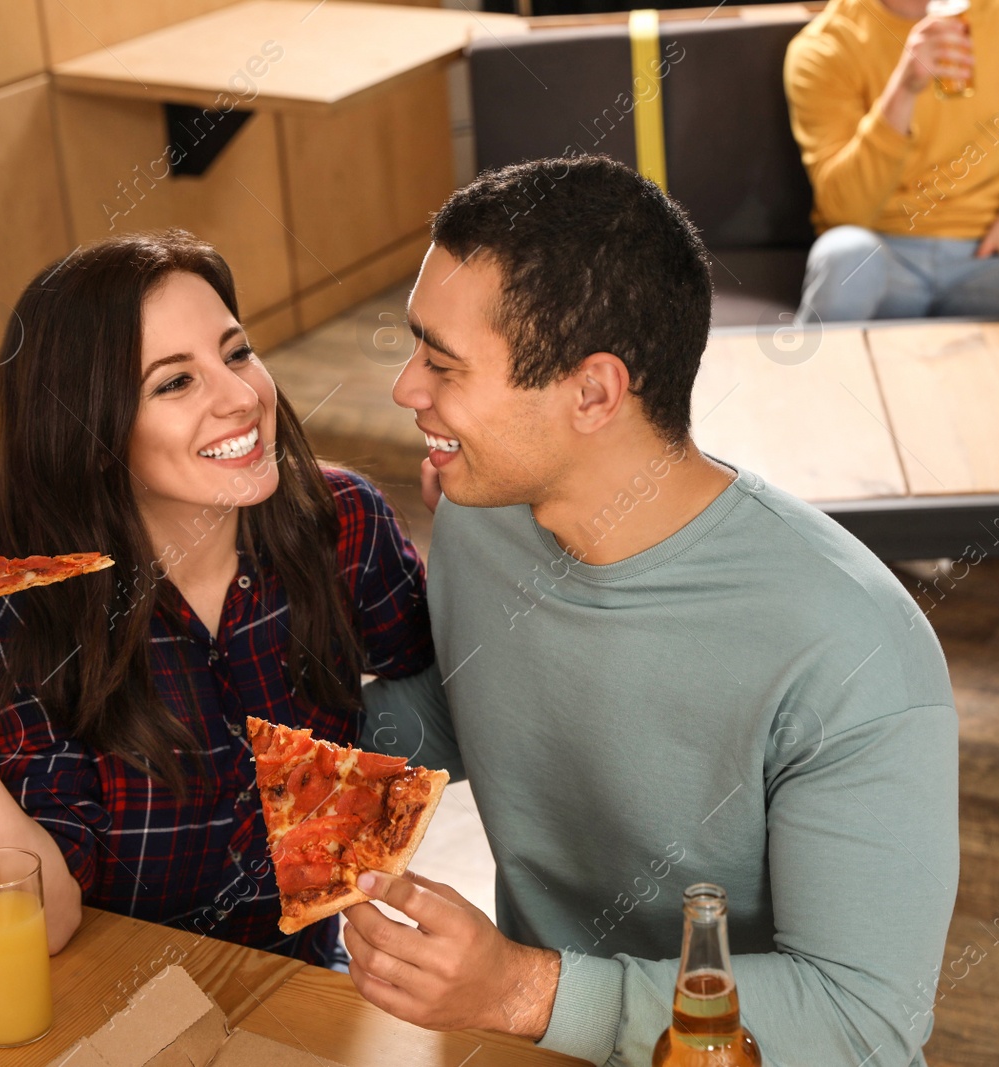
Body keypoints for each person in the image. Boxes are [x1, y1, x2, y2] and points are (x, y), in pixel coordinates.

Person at [338, 157, 959, 1066]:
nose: (406, 388)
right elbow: (484, 704)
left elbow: (858, 1021)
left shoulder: (858, 651)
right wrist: (234, 711)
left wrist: (519, 987)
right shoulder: (483, 520)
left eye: (442, 361)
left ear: (594, 392)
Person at [0, 231, 432, 965]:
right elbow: (41, 922)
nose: (243, 397)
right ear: (90, 430)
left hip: (306, 985)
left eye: (236, 352)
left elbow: (455, 693)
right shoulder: (16, 619)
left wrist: (478, 532)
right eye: (175, 382)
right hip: (116, 1006)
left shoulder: (345, 523)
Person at [785, 0, 999, 323]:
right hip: (882, 254)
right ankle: (813, 375)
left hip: (986, 256)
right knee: (844, 254)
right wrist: (904, 88)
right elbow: (844, 210)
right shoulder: (824, 46)